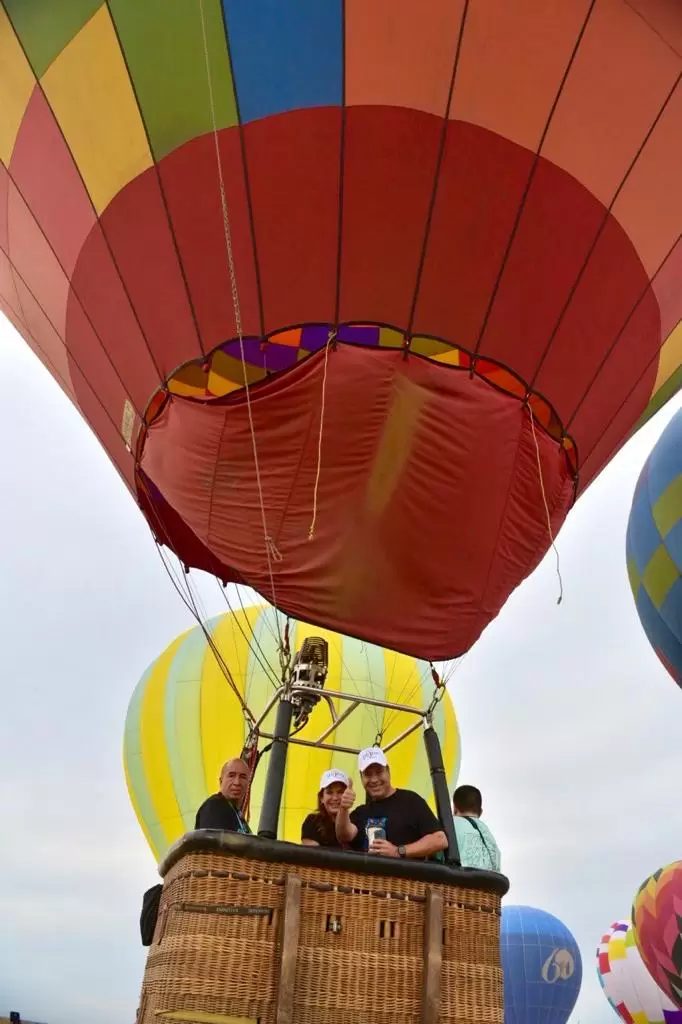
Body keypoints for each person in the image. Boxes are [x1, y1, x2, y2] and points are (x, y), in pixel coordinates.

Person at [335, 746, 448, 859]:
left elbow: (439, 839)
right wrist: (343, 808)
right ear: (361, 778)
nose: (374, 780)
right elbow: (344, 836)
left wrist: (398, 851)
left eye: (379, 772)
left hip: (406, 876)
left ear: (388, 771)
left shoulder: (411, 801)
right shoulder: (361, 812)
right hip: (369, 876)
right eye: (368, 774)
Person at [194, 758, 251, 833]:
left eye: (243, 777)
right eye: (231, 776)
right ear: (221, 781)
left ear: (248, 784)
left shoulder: (238, 815)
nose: (237, 782)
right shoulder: (215, 806)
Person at [452, 784, 501, 870]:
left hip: (456, 880)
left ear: (455, 808)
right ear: (481, 812)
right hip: (489, 882)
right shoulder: (488, 835)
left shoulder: (450, 823)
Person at [301, 768, 350, 848]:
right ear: (321, 798)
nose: (335, 798)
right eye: (329, 792)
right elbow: (311, 855)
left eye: (340, 792)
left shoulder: (354, 821)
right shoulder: (312, 821)